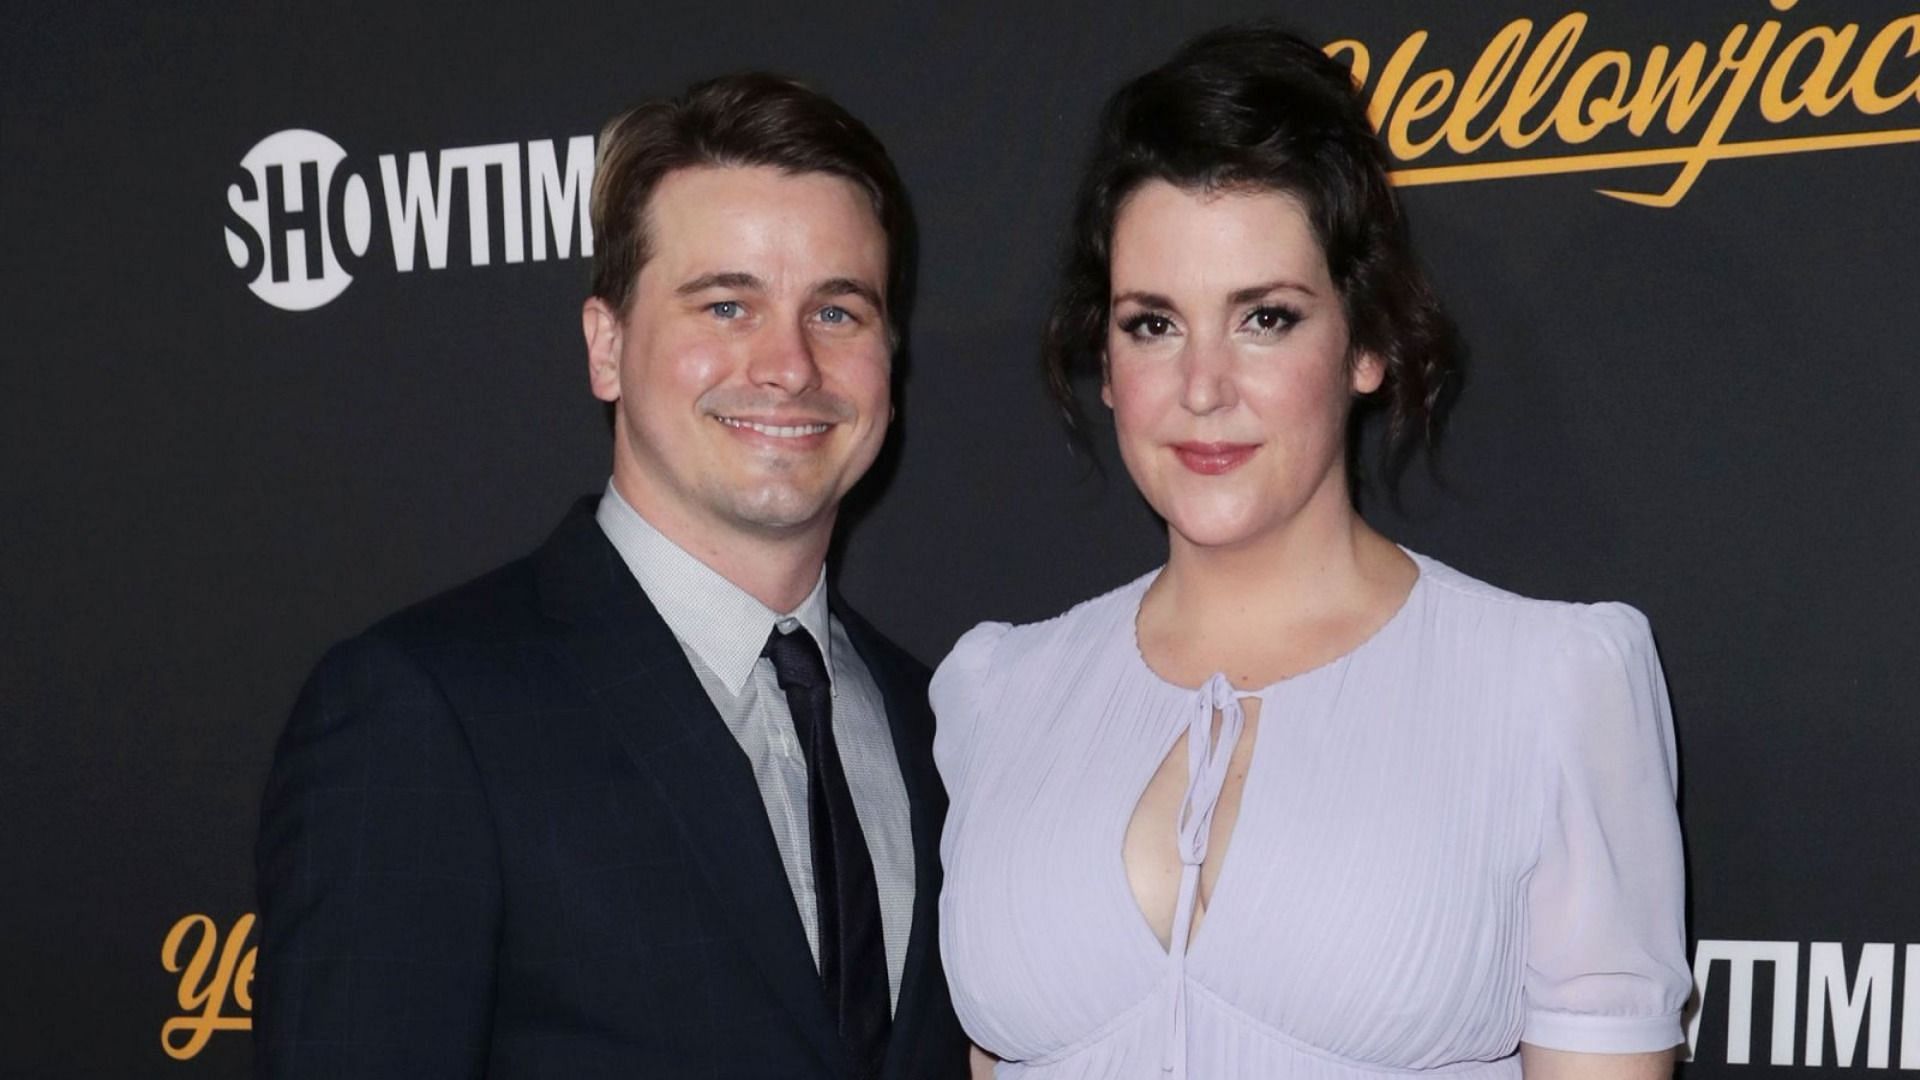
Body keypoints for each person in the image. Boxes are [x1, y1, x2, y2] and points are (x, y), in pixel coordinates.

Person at [931, 23, 1689, 1080]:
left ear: (1367, 343)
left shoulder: (1549, 687)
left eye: (1265, 319)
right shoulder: (997, 694)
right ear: (1104, 361)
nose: (1202, 386)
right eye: (1153, 324)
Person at [255, 73, 968, 1079]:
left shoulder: (942, 727)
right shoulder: (425, 712)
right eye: (727, 305)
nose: (790, 365)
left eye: (839, 313)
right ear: (607, 345)